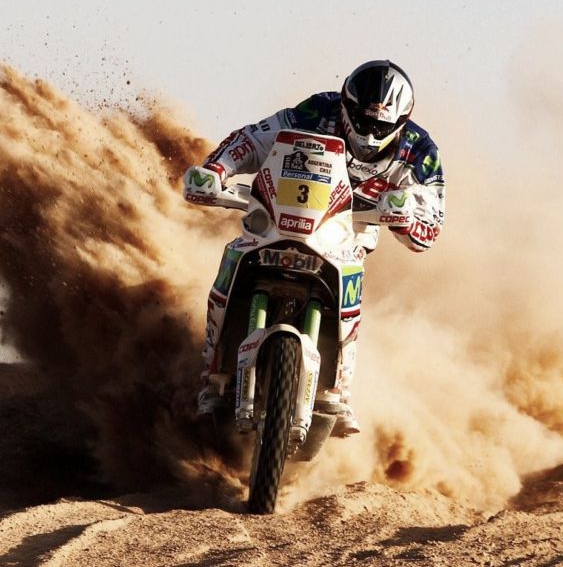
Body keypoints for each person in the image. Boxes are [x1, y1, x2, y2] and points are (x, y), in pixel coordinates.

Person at [182, 60, 445, 435]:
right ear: (346, 105)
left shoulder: (420, 149)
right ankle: (211, 371)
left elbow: (432, 219)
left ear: (401, 121)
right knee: (237, 251)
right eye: (362, 120)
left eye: (381, 127)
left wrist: (406, 215)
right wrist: (216, 171)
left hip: (348, 233)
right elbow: (255, 139)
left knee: (352, 272)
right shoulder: (315, 110)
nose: (370, 135)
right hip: (277, 217)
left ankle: (338, 388)